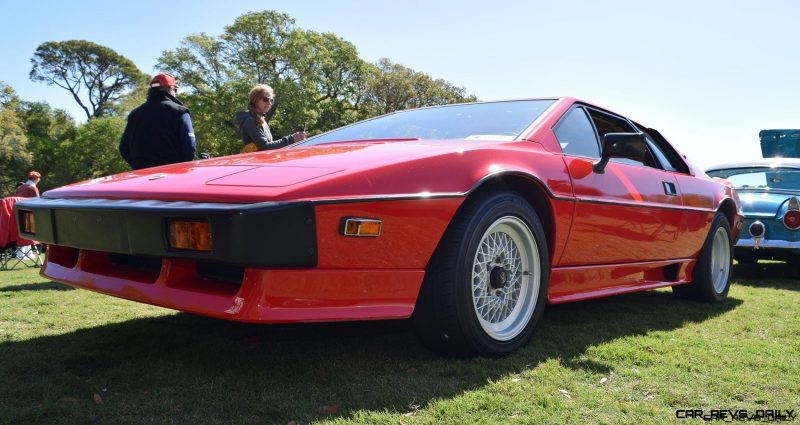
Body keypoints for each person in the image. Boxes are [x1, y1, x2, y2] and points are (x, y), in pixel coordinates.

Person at [119, 72, 196, 169]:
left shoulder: (134, 114)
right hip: (173, 174)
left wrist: (137, 166)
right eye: (175, 90)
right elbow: (190, 146)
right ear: (170, 89)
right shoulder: (180, 112)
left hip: (143, 176)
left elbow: (123, 148)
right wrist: (182, 167)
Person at [235, 84, 305, 152]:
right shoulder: (250, 121)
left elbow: (269, 146)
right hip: (257, 162)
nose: (269, 103)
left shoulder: (261, 119)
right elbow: (266, 146)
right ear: (255, 100)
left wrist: (293, 139)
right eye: (265, 99)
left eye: (271, 100)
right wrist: (291, 139)